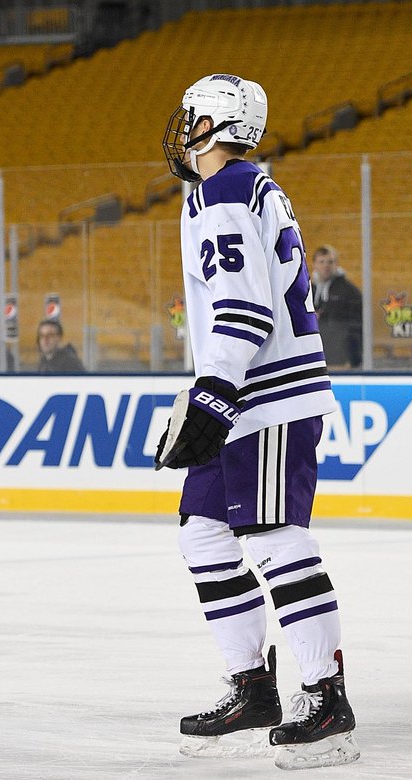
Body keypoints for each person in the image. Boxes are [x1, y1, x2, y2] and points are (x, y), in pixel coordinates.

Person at [158, 73, 358, 769]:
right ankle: (253, 686)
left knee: (275, 538)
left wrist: (213, 393)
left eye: (191, 119)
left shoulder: (225, 191)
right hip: (248, 392)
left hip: (265, 396)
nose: (183, 132)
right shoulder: (232, 190)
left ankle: (325, 698)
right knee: (205, 534)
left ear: (213, 125)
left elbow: (244, 309)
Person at [310, 245, 363, 369]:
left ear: (336, 264)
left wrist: (353, 357)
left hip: (341, 358)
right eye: (321, 262)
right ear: (314, 265)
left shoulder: (349, 291)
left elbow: (357, 325)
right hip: (316, 356)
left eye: (330, 262)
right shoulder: (308, 291)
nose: (326, 266)